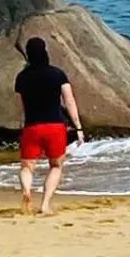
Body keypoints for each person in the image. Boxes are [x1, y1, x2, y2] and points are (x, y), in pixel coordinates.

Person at [14, 37, 84, 216]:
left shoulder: (22, 77)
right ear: (45, 51)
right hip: (55, 126)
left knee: (27, 167)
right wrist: (78, 127)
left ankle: (27, 192)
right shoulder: (57, 74)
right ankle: (45, 204)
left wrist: (22, 126)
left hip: (32, 127)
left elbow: (21, 106)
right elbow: (69, 101)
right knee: (56, 166)